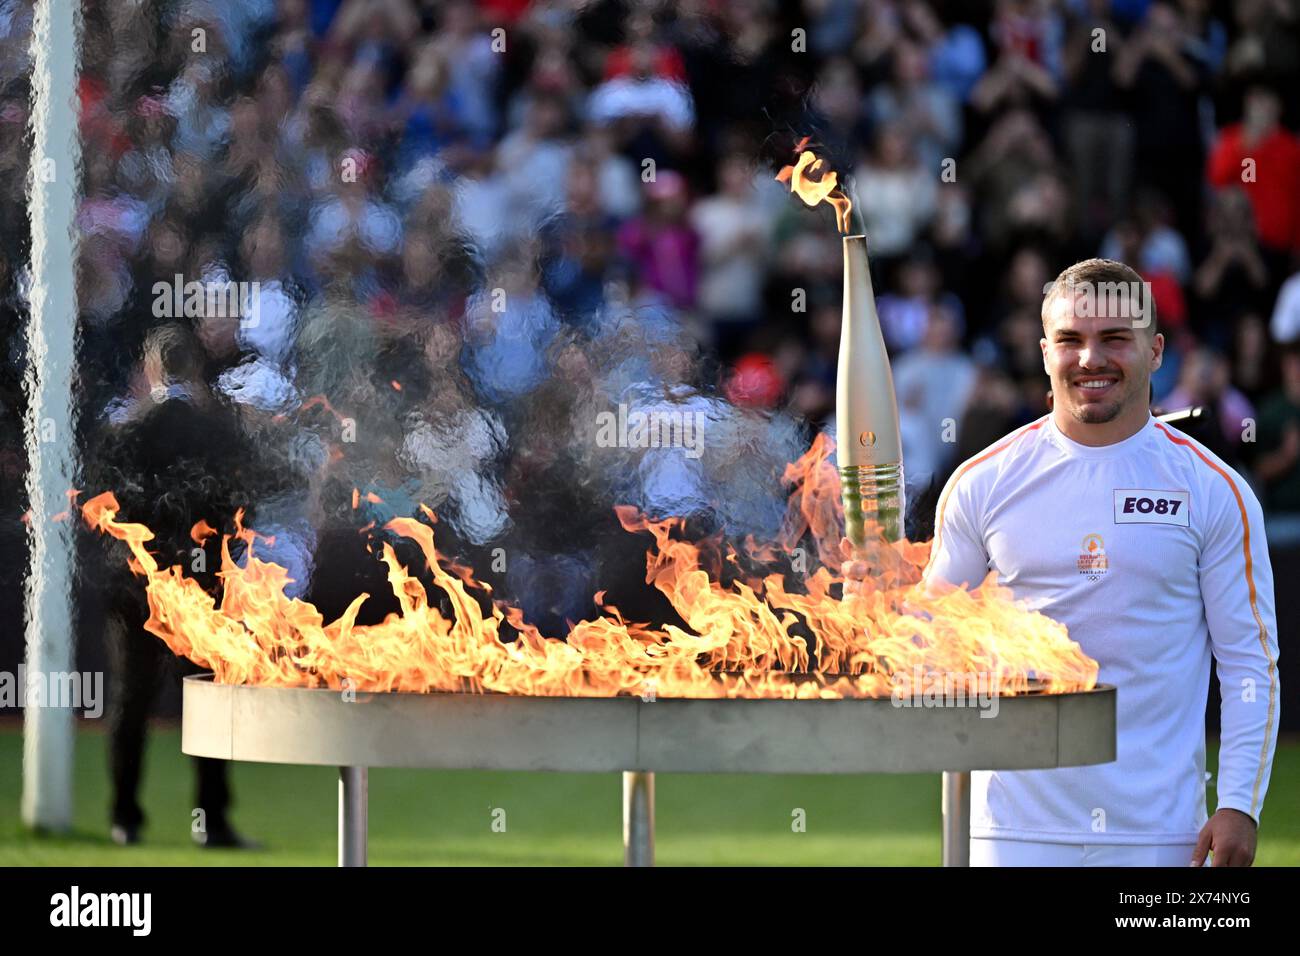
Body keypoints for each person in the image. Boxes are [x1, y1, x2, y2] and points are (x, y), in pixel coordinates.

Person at [923, 259, 1279, 866]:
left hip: (1162, 838)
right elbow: (931, 649)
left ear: (1156, 350)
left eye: (1115, 338)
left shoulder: (1214, 489)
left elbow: (1249, 662)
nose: (1091, 358)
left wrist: (1240, 803)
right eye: (1070, 340)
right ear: (1044, 352)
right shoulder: (982, 483)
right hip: (1010, 835)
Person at [86, 323, 270, 849]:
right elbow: (241, 509)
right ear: (195, 368)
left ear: (150, 369)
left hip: (139, 592)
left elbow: (105, 513)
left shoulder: (127, 431)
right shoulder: (220, 433)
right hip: (201, 594)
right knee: (208, 706)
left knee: (131, 704)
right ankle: (212, 823)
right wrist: (214, 567)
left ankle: (125, 819)